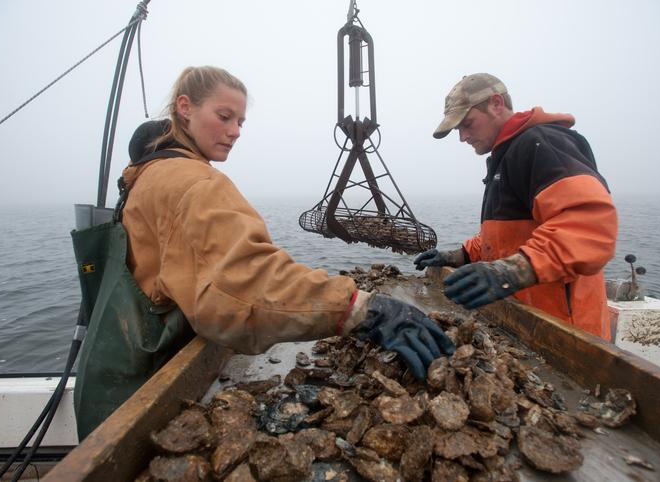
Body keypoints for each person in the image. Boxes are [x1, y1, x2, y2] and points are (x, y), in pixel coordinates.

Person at [74, 66, 454, 439]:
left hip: (114, 383)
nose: (235, 131)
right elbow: (241, 286)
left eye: (240, 121)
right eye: (224, 116)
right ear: (185, 107)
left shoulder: (148, 173)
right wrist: (360, 308)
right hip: (148, 382)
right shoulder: (193, 182)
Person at [414, 73, 617, 340]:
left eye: (467, 124)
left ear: (496, 103)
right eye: (458, 130)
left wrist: (513, 270)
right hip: (524, 322)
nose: (463, 137)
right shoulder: (506, 156)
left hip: (564, 331)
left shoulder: (542, 144)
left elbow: (590, 227)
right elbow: (507, 236)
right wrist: (460, 255)